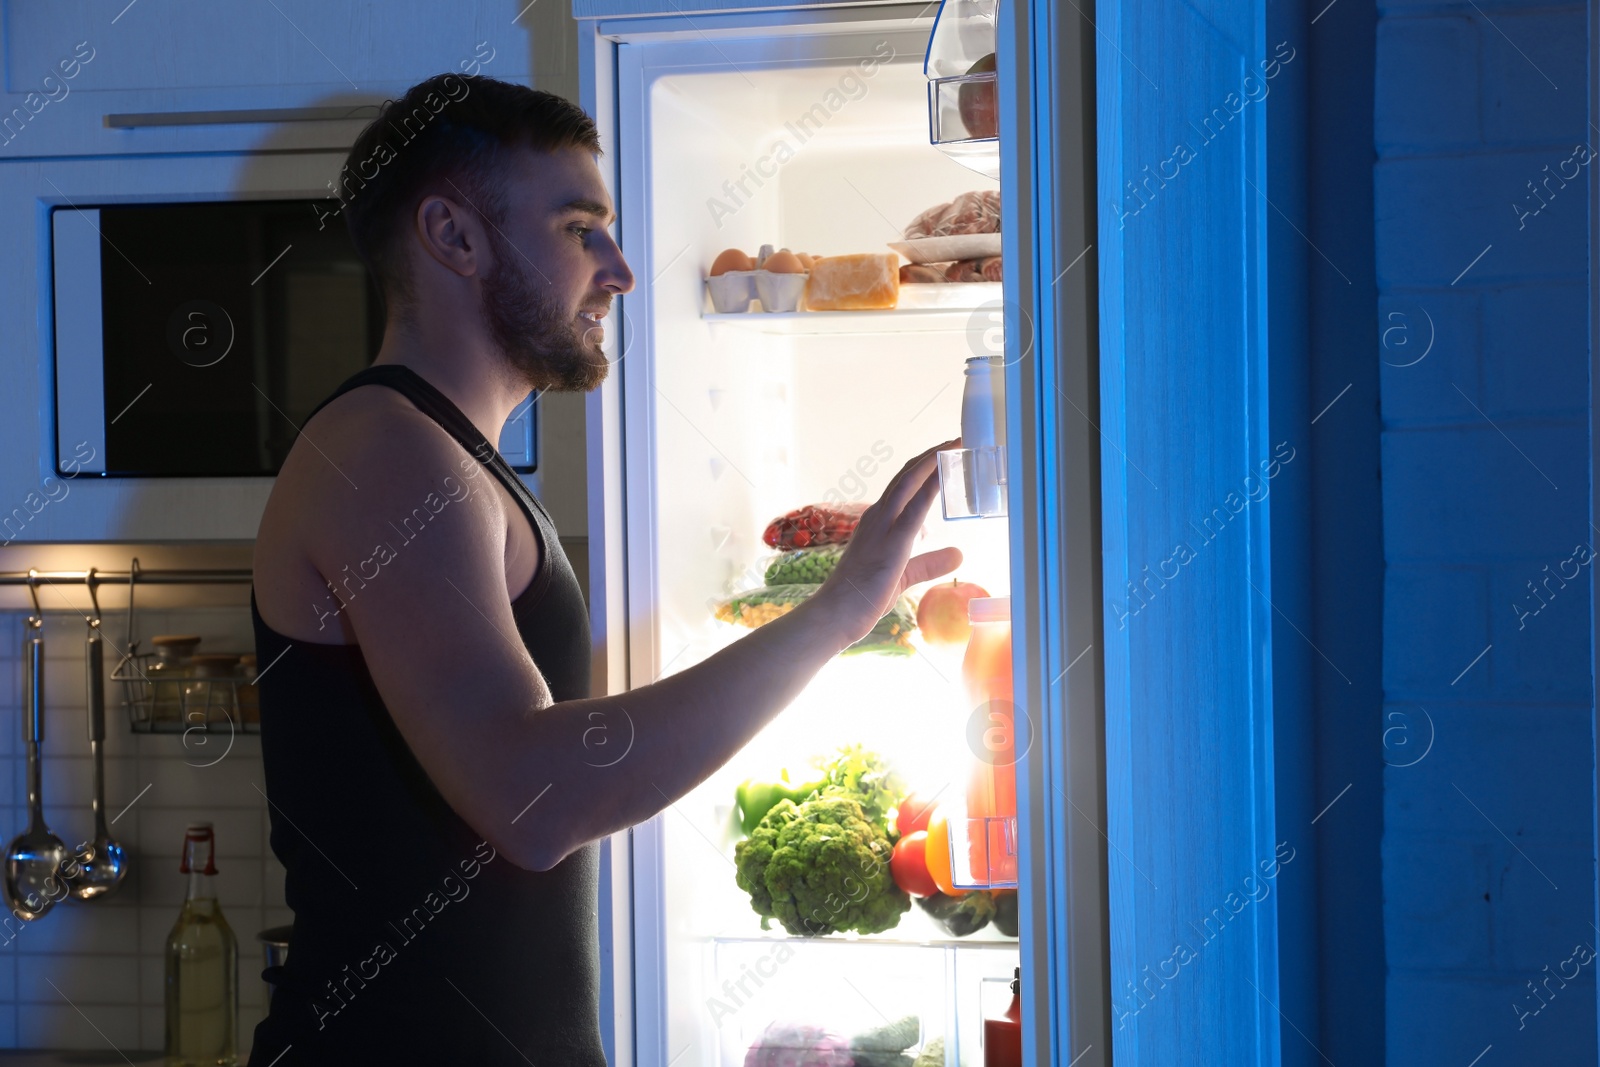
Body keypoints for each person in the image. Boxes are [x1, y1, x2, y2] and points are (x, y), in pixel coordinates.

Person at [247, 73, 958, 1066]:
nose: (619, 269)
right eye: (580, 228)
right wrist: (834, 613)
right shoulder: (385, 452)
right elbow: (533, 799)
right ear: (452, 235)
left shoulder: (458, 459)